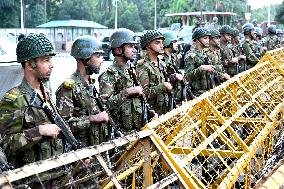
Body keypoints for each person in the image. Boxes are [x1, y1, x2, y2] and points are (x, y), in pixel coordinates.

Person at [0, 34, 63, 188]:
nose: (52, 65)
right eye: (46, 60)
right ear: (29, 64)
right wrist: (39, 131)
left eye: (51, 59)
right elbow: (6, 145)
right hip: (33, 181)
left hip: (57, 175)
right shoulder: (14, 100)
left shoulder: (45, 93)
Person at [56, 35, 109, 147]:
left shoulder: (91, 83)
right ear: (85, 59)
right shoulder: (69, 87)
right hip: (81, 153)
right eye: (98, 56)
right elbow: (63, 126)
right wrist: (93, 119)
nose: (102, 60)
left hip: (97, 146)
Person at [99, 28, 155, 134]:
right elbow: (104, 107)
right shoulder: (109, 74)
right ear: (118, 50)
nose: (135, 50)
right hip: (121, 134)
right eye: (130, 46)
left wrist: (149, 113)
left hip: (138, 130)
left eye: (134, 47)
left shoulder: (131, 70)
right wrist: (127, 92)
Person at [136, 30, 173, 115]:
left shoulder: (162, 63)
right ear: (148, 45)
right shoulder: (142, 66)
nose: (162, 46)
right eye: (157, 43)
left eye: (162, 42)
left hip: (165, 109)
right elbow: (144, 93)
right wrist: (162, 86)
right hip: (153, 113)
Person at [184, 28, 230, 97]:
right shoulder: (191, 56)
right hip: (196, 93)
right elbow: (187, 77)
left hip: (208, 91)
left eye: (208, 38)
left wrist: (222, 76)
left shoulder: (204, 54)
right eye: (205, 38)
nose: (208, 40)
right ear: (197, 40)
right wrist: (201, 68)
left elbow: (212, 70)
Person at [160, 30, 185, 105]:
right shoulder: (161, 60)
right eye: (174, 42)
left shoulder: (173, 58)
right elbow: (160, 80)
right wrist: (174, 76)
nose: (177, 44)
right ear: (167, 43)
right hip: (166, 100)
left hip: (177, 97)